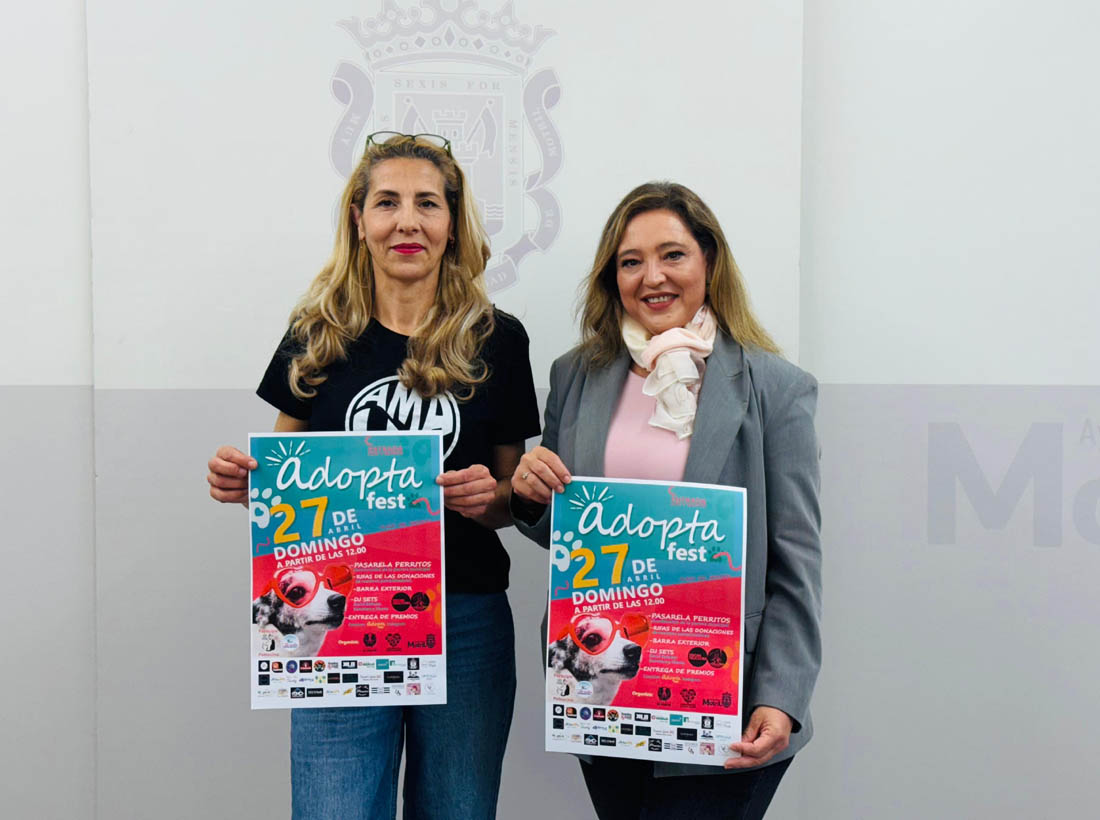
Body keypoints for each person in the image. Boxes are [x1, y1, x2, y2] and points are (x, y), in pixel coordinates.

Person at [206, 132, 541, 820]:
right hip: (340, 617)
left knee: (458, 809)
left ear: (453, 223)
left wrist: (491, 498)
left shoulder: (499, 339)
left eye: (428, 203)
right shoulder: (317, 334)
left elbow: (514, 500)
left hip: (467, 617)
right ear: (359, 220)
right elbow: (283, 477)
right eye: (387, 202)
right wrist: (245, 485)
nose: (407, 222)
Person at [510, 182, 822, 820]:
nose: (652, 276)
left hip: (726, 695)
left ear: (709, 260)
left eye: (672, 254)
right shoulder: (576, 375)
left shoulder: (777, 388)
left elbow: (796, 559)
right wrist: (531, 494)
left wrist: (782, 696)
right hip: (604, 692)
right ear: (613, 277)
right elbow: (563, 528)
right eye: (631, 261)